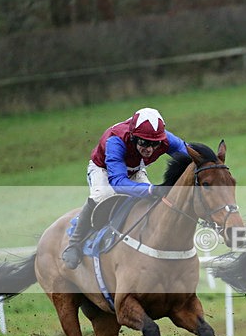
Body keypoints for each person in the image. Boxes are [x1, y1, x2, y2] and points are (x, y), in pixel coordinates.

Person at [60, 107, 190, 269]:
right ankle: (74, 244)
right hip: (104, 170)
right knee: (102, 195)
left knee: (152, 201)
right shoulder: (116, 140)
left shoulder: (165, 139)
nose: (149, 149)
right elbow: (118, 182)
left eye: (155, 144)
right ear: (134, 137)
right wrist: (150, 190)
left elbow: (191, 153)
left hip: (134, 169)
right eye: (144, 143)